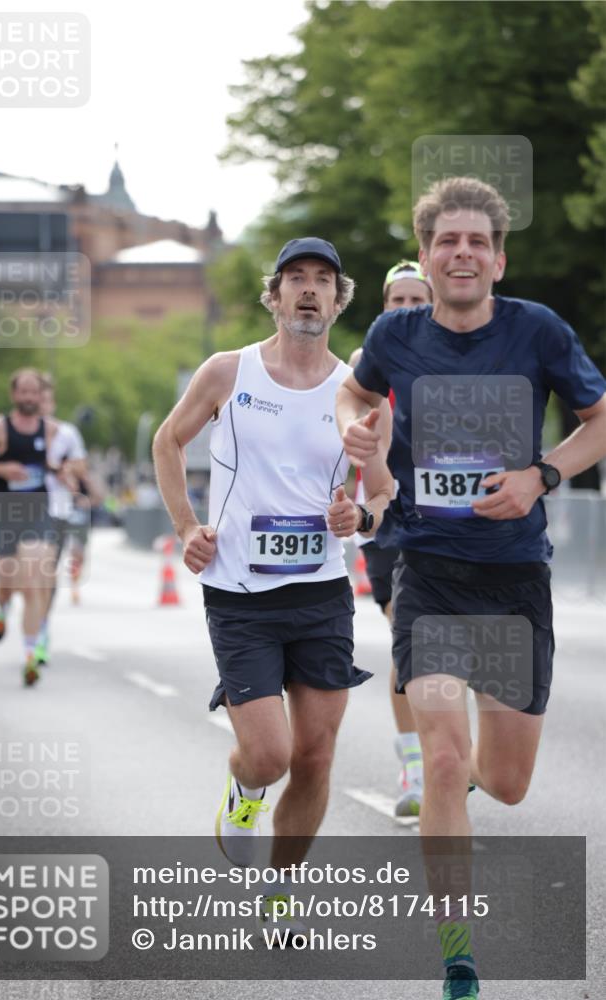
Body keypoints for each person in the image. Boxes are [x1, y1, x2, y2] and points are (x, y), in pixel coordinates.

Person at [336, 177, 606, 1000]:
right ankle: (457, 951)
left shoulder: (537, 330)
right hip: (429, 570)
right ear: (424, 254)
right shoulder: (393, 331)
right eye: (444, 240)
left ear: (497, 258)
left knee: (509, 782)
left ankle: (480, 790)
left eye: (474, 241)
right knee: (444, 761)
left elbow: (598, 419)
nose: (459, 253)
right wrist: (357, 424)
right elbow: (354, 388)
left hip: (514, 576)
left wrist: (540, 475)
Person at [153, 237, 394, 924]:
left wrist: (361, 516)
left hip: (320, 592)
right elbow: (168, 441)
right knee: (268, 756)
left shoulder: (359, 391)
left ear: (338, 299)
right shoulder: (228, 372)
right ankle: (243, 792)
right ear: (274, 295)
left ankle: (281, 892)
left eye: (323, 279)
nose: (309, 290)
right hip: (238, 592)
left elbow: (382, 492)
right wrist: (184, 526)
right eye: (296, 279)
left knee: (315, 758)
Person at [348, 260, 433, 817]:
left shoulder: (458, 360)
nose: (404, 310)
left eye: (414, 301)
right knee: (413, 636)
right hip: (385, 519)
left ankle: (444, 754)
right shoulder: (367, 364)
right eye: (395, 301)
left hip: (447, 520)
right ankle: (417, 767)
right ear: (383, 308)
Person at [0, 368, 63, 686]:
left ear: (41, 395)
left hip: (37, 511)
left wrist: (61, 470)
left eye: (33, 392)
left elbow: (61, 464)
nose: (28, 398)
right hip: (2, 511)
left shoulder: (51, 430)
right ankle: (1, 608)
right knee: (9, 580)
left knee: (35, 582)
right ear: (14, 395)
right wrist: (2, 468)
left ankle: (30, 654)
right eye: (22, 392)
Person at [36, 375, 89, 661]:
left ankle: (41, 629)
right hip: (19, 512)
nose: (41, 406)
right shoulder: (13, 430)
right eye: (35, 400)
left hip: (55, 512)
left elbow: (81, 468)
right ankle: (5, 608)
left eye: (45, 400)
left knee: (46, 574)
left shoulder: (67, 433)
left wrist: (62, 468)